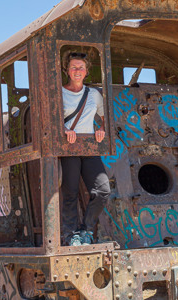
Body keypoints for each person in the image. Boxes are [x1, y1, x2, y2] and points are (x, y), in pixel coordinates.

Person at [61, 52, 111, 246]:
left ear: (87, 71)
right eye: (74, 67)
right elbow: (51, 120)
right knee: (70, 194)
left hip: (89, 149)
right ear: (67, 70)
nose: (77, 71)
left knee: (103, 190)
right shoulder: (59, 92)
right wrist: (64, 130)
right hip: (68, 149)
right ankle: (70, 235)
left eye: (81, 67)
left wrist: (102, 128)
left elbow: (105, 115)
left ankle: (85, 230)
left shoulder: (93, 95)